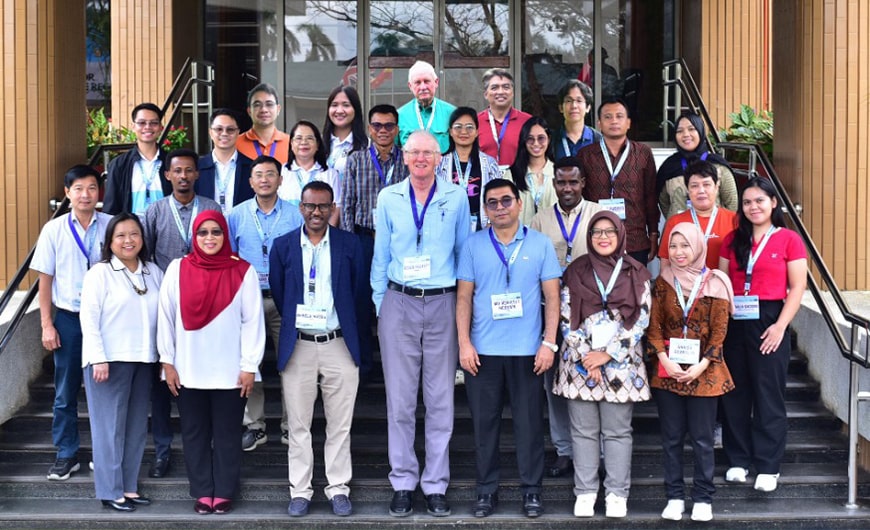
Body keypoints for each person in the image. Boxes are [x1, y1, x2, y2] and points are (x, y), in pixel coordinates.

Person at [371, 130, 471, 518]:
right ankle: (403, 482)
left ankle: (435, 484)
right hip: (399, 301)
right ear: (405, 156)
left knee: (440, 399)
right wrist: (382, 304)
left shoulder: (456, 196)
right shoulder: (388, 197)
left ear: (439, 157)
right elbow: (380, 256)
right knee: (399, 400)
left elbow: (464, 256)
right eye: (414, 152)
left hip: (444, 303)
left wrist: (463, 309)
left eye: (428, 152)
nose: (421, 158)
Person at [456, 178, 561, 518]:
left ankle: (532, 491)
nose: (500, 208)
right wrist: (464, 344)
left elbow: (553, 297)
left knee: (529, 427)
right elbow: (463, 298)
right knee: (485, 427)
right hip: (483, 353)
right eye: (492, 203)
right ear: (485, 210)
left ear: (519, 203)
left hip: (529, 353)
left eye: (505, 201)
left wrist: (549, 342)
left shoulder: (540, 244)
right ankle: (486, 491)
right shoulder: (473, 245)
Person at [270, 181, 369, 518]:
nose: (316, 212)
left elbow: (357, 294)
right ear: (300, 207)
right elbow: (282, 294)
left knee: (340, 424)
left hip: (339, 343)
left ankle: (338, 488)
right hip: (298, 344)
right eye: (310, 206)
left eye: (323, 206)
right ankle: (300, 490)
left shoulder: (349, 244)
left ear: (332, 208)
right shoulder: (283, 246)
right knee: (298, 425)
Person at [157, 210, 265, 515]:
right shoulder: (177, 269)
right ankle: (203, 491)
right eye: (202, 233)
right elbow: (165, 318)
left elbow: (253, 322)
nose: (209, 238)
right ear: (193, 236)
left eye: (216, 232)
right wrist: (167, 362)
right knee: (194, 433)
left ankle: (225, 490)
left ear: (225, 235)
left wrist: (249, 366)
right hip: (188, 369)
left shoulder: (244, 271)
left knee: (228, 434)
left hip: (231, 371)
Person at [555, 210, 652, 519]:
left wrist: (606, 355)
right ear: (589, 237)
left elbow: (641, 319)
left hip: (621, 366)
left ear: (621, 234)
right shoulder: (576, 271)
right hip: (580, 365)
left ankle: (616, 493)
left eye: (610, 231)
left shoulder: (637, 271)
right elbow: (566, 318)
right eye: (597, 232)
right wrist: (589, 357)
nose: (603, 237)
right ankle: (585, 492)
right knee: (582, 432)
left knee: (617, 431)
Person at [719, 177, 807, 493]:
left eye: (759, 200)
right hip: (735, 320)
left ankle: (768, 465)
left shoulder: (788, 239)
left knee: (768, 393)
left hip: (770, 319)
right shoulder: (732, 239)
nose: (753, 207)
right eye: (747, 202)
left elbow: (797, 287)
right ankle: (738, 460)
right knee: (735, 393)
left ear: (773, 203)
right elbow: (722, 282)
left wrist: (781, 326)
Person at [647, 222, 735, 522]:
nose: (679, 252)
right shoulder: (663, 281)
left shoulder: (717, 282)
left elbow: (719, 333)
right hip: (668, 372)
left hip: (706, 373)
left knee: (701, 439)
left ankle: (702, 498)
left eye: (685, 245)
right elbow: (654, 326)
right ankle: (673, 496)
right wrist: (664, 358)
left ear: (698, 246)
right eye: (673, 246)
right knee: (671, 439)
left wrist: (700, 365)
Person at [144, 149, 221, 478]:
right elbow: (145, 256)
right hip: (167, 305)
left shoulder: (212, 208)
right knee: (162, 382)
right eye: (178, 171)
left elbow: (222, 250)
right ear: (168, 175)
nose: (184, 176)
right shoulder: (155, 211)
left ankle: (211, 447)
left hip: (208, 305)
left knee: (205, 378)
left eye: (189, 171)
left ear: (197, 174)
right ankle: (163, 450)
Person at [31, 165, 112, 481]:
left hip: (106, 321)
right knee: (65, 391)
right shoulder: (54, 230)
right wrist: (46, 324)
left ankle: (103, 453)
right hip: (68, 318)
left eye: (92, 188)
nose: (85, 194)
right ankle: (67, 454)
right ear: (67, 193)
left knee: (104, 390)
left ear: (98, 192)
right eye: (78, 188)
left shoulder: (111, 225)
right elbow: (45, 280)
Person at [80, 213, 164, 512]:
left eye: (134, 234)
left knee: (136, 427)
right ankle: (109, 489)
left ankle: (129, 487)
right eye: (121, 235)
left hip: (144, 359)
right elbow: (88, 319)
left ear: (142, 239)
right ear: (110, 241)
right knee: (108, 428)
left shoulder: (153, 272)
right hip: (109, 361)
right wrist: (97, 357)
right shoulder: (99, 273)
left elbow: (164, 316)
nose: (128, 240)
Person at [529, 156, 604, 479]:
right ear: (553, 184)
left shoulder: (600, 215)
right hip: (550, 313)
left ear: (583, 183)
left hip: (590, 315)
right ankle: (564, 451)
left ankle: (597, 453)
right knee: (554, 386)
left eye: (574, 181)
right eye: (561, 182)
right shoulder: (540, 220)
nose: (568, 188)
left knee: (592, 381)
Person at [228, 155, 304, 451]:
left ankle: (290, 426)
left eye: (270, 174)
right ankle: (255, 425)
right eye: (258, 174)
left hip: (284, 299)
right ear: (250, 181)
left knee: (291, 363)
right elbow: (231, 260)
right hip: (249, 301)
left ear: (280, 180)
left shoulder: (295, 215)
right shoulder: (236, 215)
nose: (264, 179)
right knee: (251, 364)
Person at [341, 104, 408, 381]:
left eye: (389, 125)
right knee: (360, 302)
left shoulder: (407, 159)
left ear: (397, 129)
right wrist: (349, 244)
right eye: (377, 125)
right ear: (369, 128)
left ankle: (399, 364)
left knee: (398, 300)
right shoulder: (356, 159)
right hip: (364, 239)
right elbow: (346, 204)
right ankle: (365, 364)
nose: (383, 131)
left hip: (398, 243)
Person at [578, 97, 659, 264]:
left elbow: (650, 196)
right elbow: (582, 199)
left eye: (619, 116)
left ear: (628, 123)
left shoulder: (643, 153)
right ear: (599, 123)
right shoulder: (585, 155)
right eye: (608, 117)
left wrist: (653, 233)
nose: (614, 121)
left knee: (635, 288)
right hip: (598, 239)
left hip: (635, 240)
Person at [656, 111, 738, 218]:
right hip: (679, 231)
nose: (686, 135)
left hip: (714, 231)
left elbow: (732, 204)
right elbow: (664, 203)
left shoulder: (718, 166)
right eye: (680, 131)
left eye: (691, 129)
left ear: (700, 131)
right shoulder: (669, 167)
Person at [659, 161, 737, 269]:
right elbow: (665, 264)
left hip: (721, 283)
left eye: (706, 185)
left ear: (716, 187)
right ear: (687, 190)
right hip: (685, 285)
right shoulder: (675, 222)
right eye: (694, 186)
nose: (701, 191)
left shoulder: (734, 220)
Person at [435, 107, 503, 231]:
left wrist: (490, 222)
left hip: (481, 224)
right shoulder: (439, 163)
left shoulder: (489, 163)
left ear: (477, 132)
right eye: (458, 127)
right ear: (450, 131)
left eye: (469, 127)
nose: (464, 132)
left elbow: (498, 194)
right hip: (448, 224)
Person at [103, 103, 171, 216]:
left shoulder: (171, 162)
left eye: (153, 123)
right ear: (133, 127)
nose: (147, 127)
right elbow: (111, 206)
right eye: (142, 123)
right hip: (131, 231)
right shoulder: (119, 164)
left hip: (166, 230)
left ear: (160, 127)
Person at [278, 120, 341, 227]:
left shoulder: (330, 174)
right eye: (298, 138)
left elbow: (336, 209)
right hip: (286, 236)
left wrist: (326, 237)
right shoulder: (281, 172)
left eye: (310, 138)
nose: (304, 142)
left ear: (317, 145)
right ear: (291, 144)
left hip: (322, 236)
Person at [196, 108, 254, 215]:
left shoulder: (251, 168)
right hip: (208, 228)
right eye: (219, 129)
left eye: (230, 129)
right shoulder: (198, 167)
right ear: (210, 132)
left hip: (241, 228)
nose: (224, 133)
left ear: (238, 132)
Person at [397, 61, 457, 152]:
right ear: (410, 86)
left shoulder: (452, 113)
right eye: (417, 82)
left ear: (436, 82)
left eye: (426, 81)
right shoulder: (400, 115)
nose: (423, 87)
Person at [476, 68, 531, 168]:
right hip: (484, 182)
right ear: (485, 94)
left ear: (512, 92)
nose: (500, 92)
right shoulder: (475, 122)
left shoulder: (528, 122)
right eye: (494, 88)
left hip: (518, 181)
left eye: (506, 87)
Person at [508, 117, 556, 226]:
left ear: (549, 139)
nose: (535, 143)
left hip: (553, 239)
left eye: (541, 138)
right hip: (521, 239)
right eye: (530, 138)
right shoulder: (511, 175)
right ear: (524, 140)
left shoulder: (558, 173)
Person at [236, 83, 290, 165]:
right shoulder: (235, 144)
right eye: (257, 105)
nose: (264, 109)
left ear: (278, 109)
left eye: (269, 104)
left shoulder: (291, 144)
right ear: (249, 111)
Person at [322, 85, 367, 180]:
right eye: (334, 105)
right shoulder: (318, 144)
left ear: (356, 109)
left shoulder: (367, 146)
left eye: (346, 105)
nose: (339, 111)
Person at [554, 80, 601, 160]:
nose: (574, 106)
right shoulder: (552, 141)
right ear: (561, 108)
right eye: (569, 101)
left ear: (588, 107)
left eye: (579, 101)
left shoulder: (599, 140)